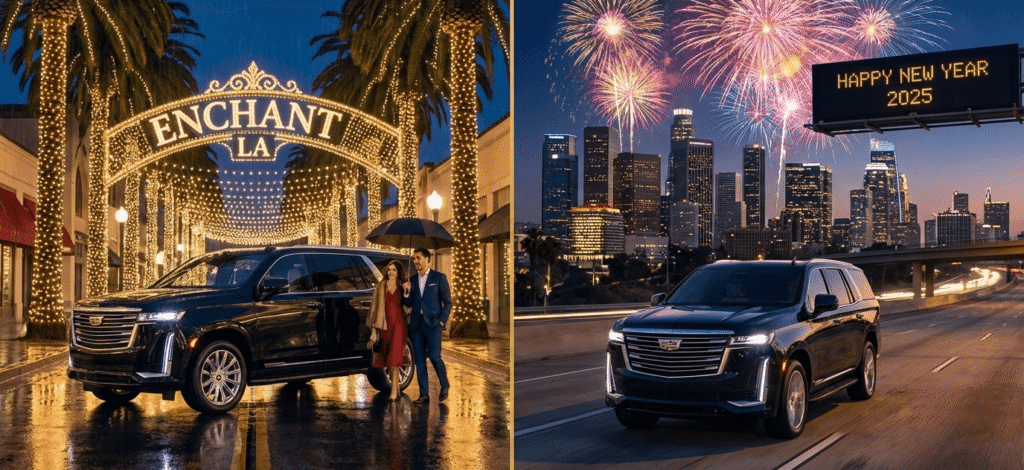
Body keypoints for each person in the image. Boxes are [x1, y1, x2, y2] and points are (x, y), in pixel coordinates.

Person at [402, 247, 451, 404]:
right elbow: (408, 303)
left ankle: (445, 384)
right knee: (420, 360)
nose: (416, 261)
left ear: (427, 259)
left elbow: (448, 302)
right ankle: (424, 395)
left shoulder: (439, 278)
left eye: (419, 258)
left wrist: (442, 320)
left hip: (433, 324)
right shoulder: (412, 280)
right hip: (416, 325)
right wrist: (407, 292)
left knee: (435, 357)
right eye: (414, 259)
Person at [366, 260, 410, 401]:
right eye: (389, 269)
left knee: (394, 358)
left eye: (394, 270)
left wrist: (407, 292)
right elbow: (374, 309)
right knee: (387, 358)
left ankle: (393, 392)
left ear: (399, 272)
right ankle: (396, 387)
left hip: (399, 325)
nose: (391, 272)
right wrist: (374, 331)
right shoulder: (381, 286)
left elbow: (409, 308)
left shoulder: (403, 286)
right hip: (384, 326)